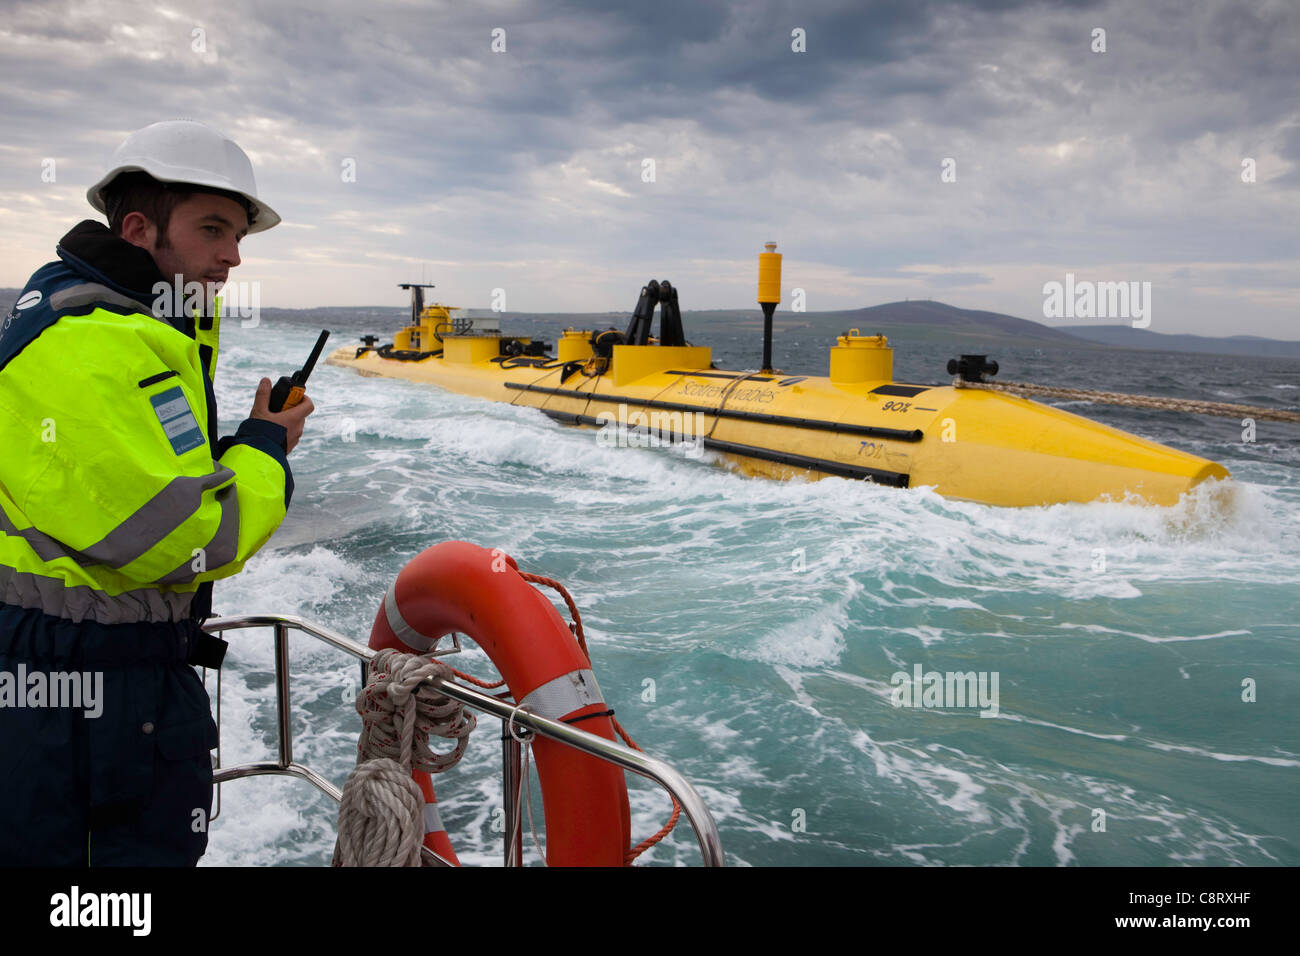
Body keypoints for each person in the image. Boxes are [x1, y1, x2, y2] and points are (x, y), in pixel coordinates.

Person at [0, 120, 314, 865]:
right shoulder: (94, 343)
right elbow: (185, 538)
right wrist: (266, 452)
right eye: (212, 230)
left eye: (238, 236)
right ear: (139, 228)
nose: (233, 256)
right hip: (81, 701)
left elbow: (139, 484)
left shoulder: (127, 329)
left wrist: (242, 442)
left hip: (99, 680)